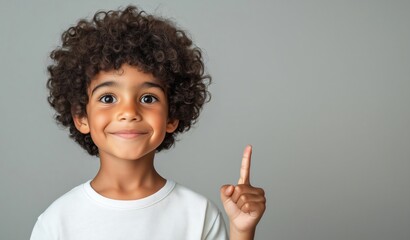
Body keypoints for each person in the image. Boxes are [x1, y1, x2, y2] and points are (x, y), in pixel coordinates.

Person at [30, 5, 265, 240]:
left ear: (172, 116)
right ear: (82, 117)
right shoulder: (57, 222)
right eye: (108, 98)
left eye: (148, 98)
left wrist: (242, 230)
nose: (129, 112)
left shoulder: (198, 214)